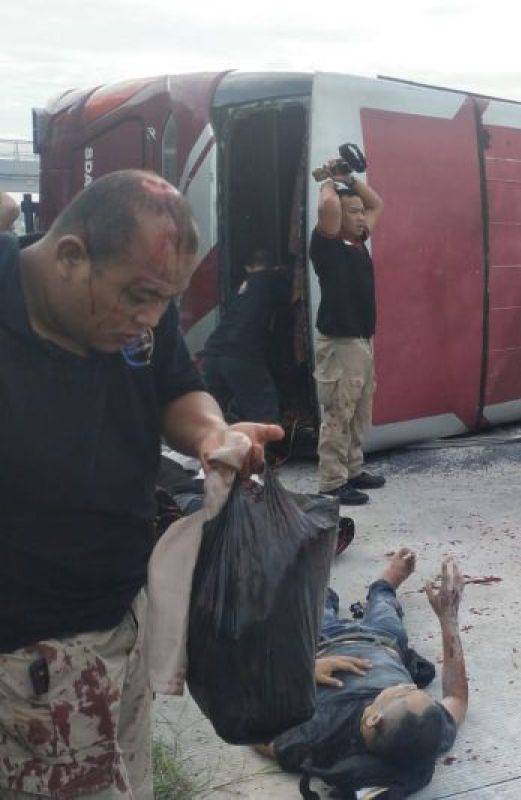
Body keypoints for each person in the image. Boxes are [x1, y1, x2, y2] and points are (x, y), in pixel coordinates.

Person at [0, 169, 282, 799]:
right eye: (139, 297)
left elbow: (176, 387)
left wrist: (212, 435)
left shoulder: (142, 307)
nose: (149, 319)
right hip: (29, 657)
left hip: (122, 622)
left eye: (166, 301)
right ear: (71, 256)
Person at [257, 551, 467, 796]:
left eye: (402, 695)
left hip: (324, 640)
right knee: (384, 602)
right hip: (385, 640)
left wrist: (301, 673)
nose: (409, 686)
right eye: (416, 691)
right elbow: (457, 698)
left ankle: (318, 579)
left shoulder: (317, 735)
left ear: (374, 719)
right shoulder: (427, 732)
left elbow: (254, 732)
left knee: (315, 597)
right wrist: (448, 619)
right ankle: (386, 582)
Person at [311, 159, 386, 506]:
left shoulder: (358, 243)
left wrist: (349, 180)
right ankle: (332, 481)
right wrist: (328, 182)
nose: (360, 217)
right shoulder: (326, 246)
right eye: (352, 213)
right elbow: (327, 205)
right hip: (340, 343)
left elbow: (377, 204)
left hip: (361, 340)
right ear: (337, 218)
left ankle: (353, 470)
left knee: (359, 411)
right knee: (339, 413)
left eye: (359, 213)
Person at [201, 247, 290, 423]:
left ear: (248, 268)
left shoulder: (242, 289)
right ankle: (263, 449)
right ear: (273, 267)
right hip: (242, 355)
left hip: (213, 354)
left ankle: (221, 447)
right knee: (264, 413)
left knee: (215, 416)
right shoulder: (271, 280)